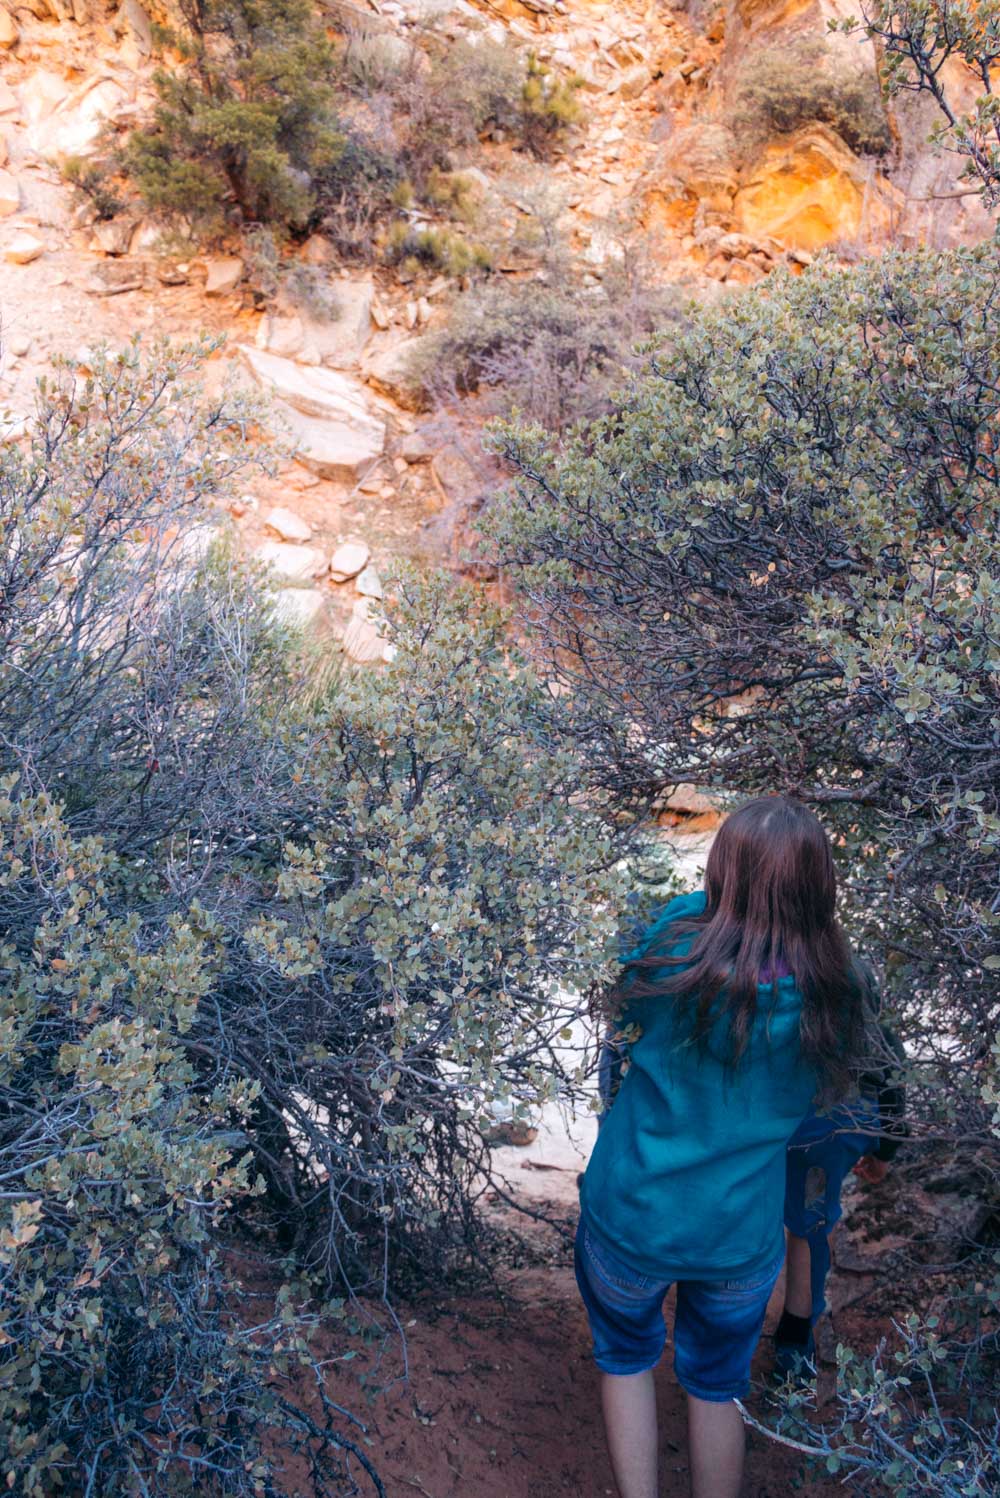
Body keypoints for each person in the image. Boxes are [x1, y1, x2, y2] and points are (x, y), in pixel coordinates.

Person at [576, 796, 869, 1498]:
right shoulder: (834, 988)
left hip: (632, 1213)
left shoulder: (677, 944)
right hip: (739, 1236)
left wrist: (716, 899)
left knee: (625, 1360)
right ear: (820, 887)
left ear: (719, 871)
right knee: (716, 1385)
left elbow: (624, 995)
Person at [774, 1014, 906, 1378]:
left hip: (792, 1110)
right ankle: (794, 1341)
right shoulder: (861, 993)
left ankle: (742, 1319)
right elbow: (892, 1073)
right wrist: (884, 1153)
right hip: (844, 1118)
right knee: (811, 1223)